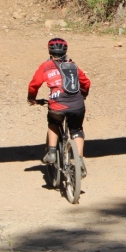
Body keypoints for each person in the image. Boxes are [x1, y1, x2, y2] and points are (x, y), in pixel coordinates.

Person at [27, 37, 91, 166]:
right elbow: (86, 82)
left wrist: (31, 98)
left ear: (49, 51)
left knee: (54, 122)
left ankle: (51, 153)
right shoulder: (73, 65)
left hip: (57, 105)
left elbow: (34, 85)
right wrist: (83, 95)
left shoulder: (45, 66)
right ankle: (79, 161)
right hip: (77, 104)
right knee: (76, 130)